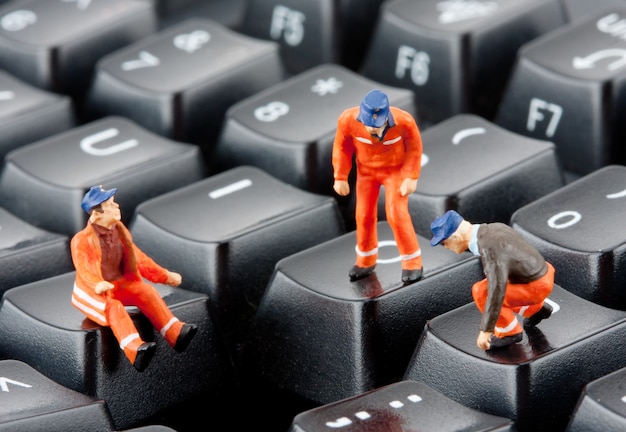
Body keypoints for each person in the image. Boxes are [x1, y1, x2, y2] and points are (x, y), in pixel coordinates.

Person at [70, 185, 197, 371]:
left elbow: (138, 258)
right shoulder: (81, 240)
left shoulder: (120, 230)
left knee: (146, 291)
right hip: (93, 293)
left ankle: (175, 332)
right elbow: (83, 268)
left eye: (114, 203)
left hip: (120, 283)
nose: (117, 207)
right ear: (96, 215)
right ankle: (135, 350)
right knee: (114, 307)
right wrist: (98, 284)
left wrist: (164, 275)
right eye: (110, 206)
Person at [332, 89, 423, 284]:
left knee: (396, 214)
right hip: (366, 173)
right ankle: (365, 260)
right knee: (363, 215)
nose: (372, 130)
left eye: (376, 125)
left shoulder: (404, 122)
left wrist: (411, 176)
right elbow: (341, 148)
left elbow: (414, 149)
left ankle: (412, 262)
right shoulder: (347, 120)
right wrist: (340, 176)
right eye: (368, 124)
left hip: (395, 172)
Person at [430, 210, 554, 350]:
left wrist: (486, 330)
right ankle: (537, 311)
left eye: (445, 243)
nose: (446, 247)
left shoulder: (489, 247)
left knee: (482, 292)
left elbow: (496, 289)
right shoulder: (495, 227)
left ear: (456, 237)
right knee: (496, 288)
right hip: (543, 274)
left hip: (534, 285)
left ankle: (509, 333)